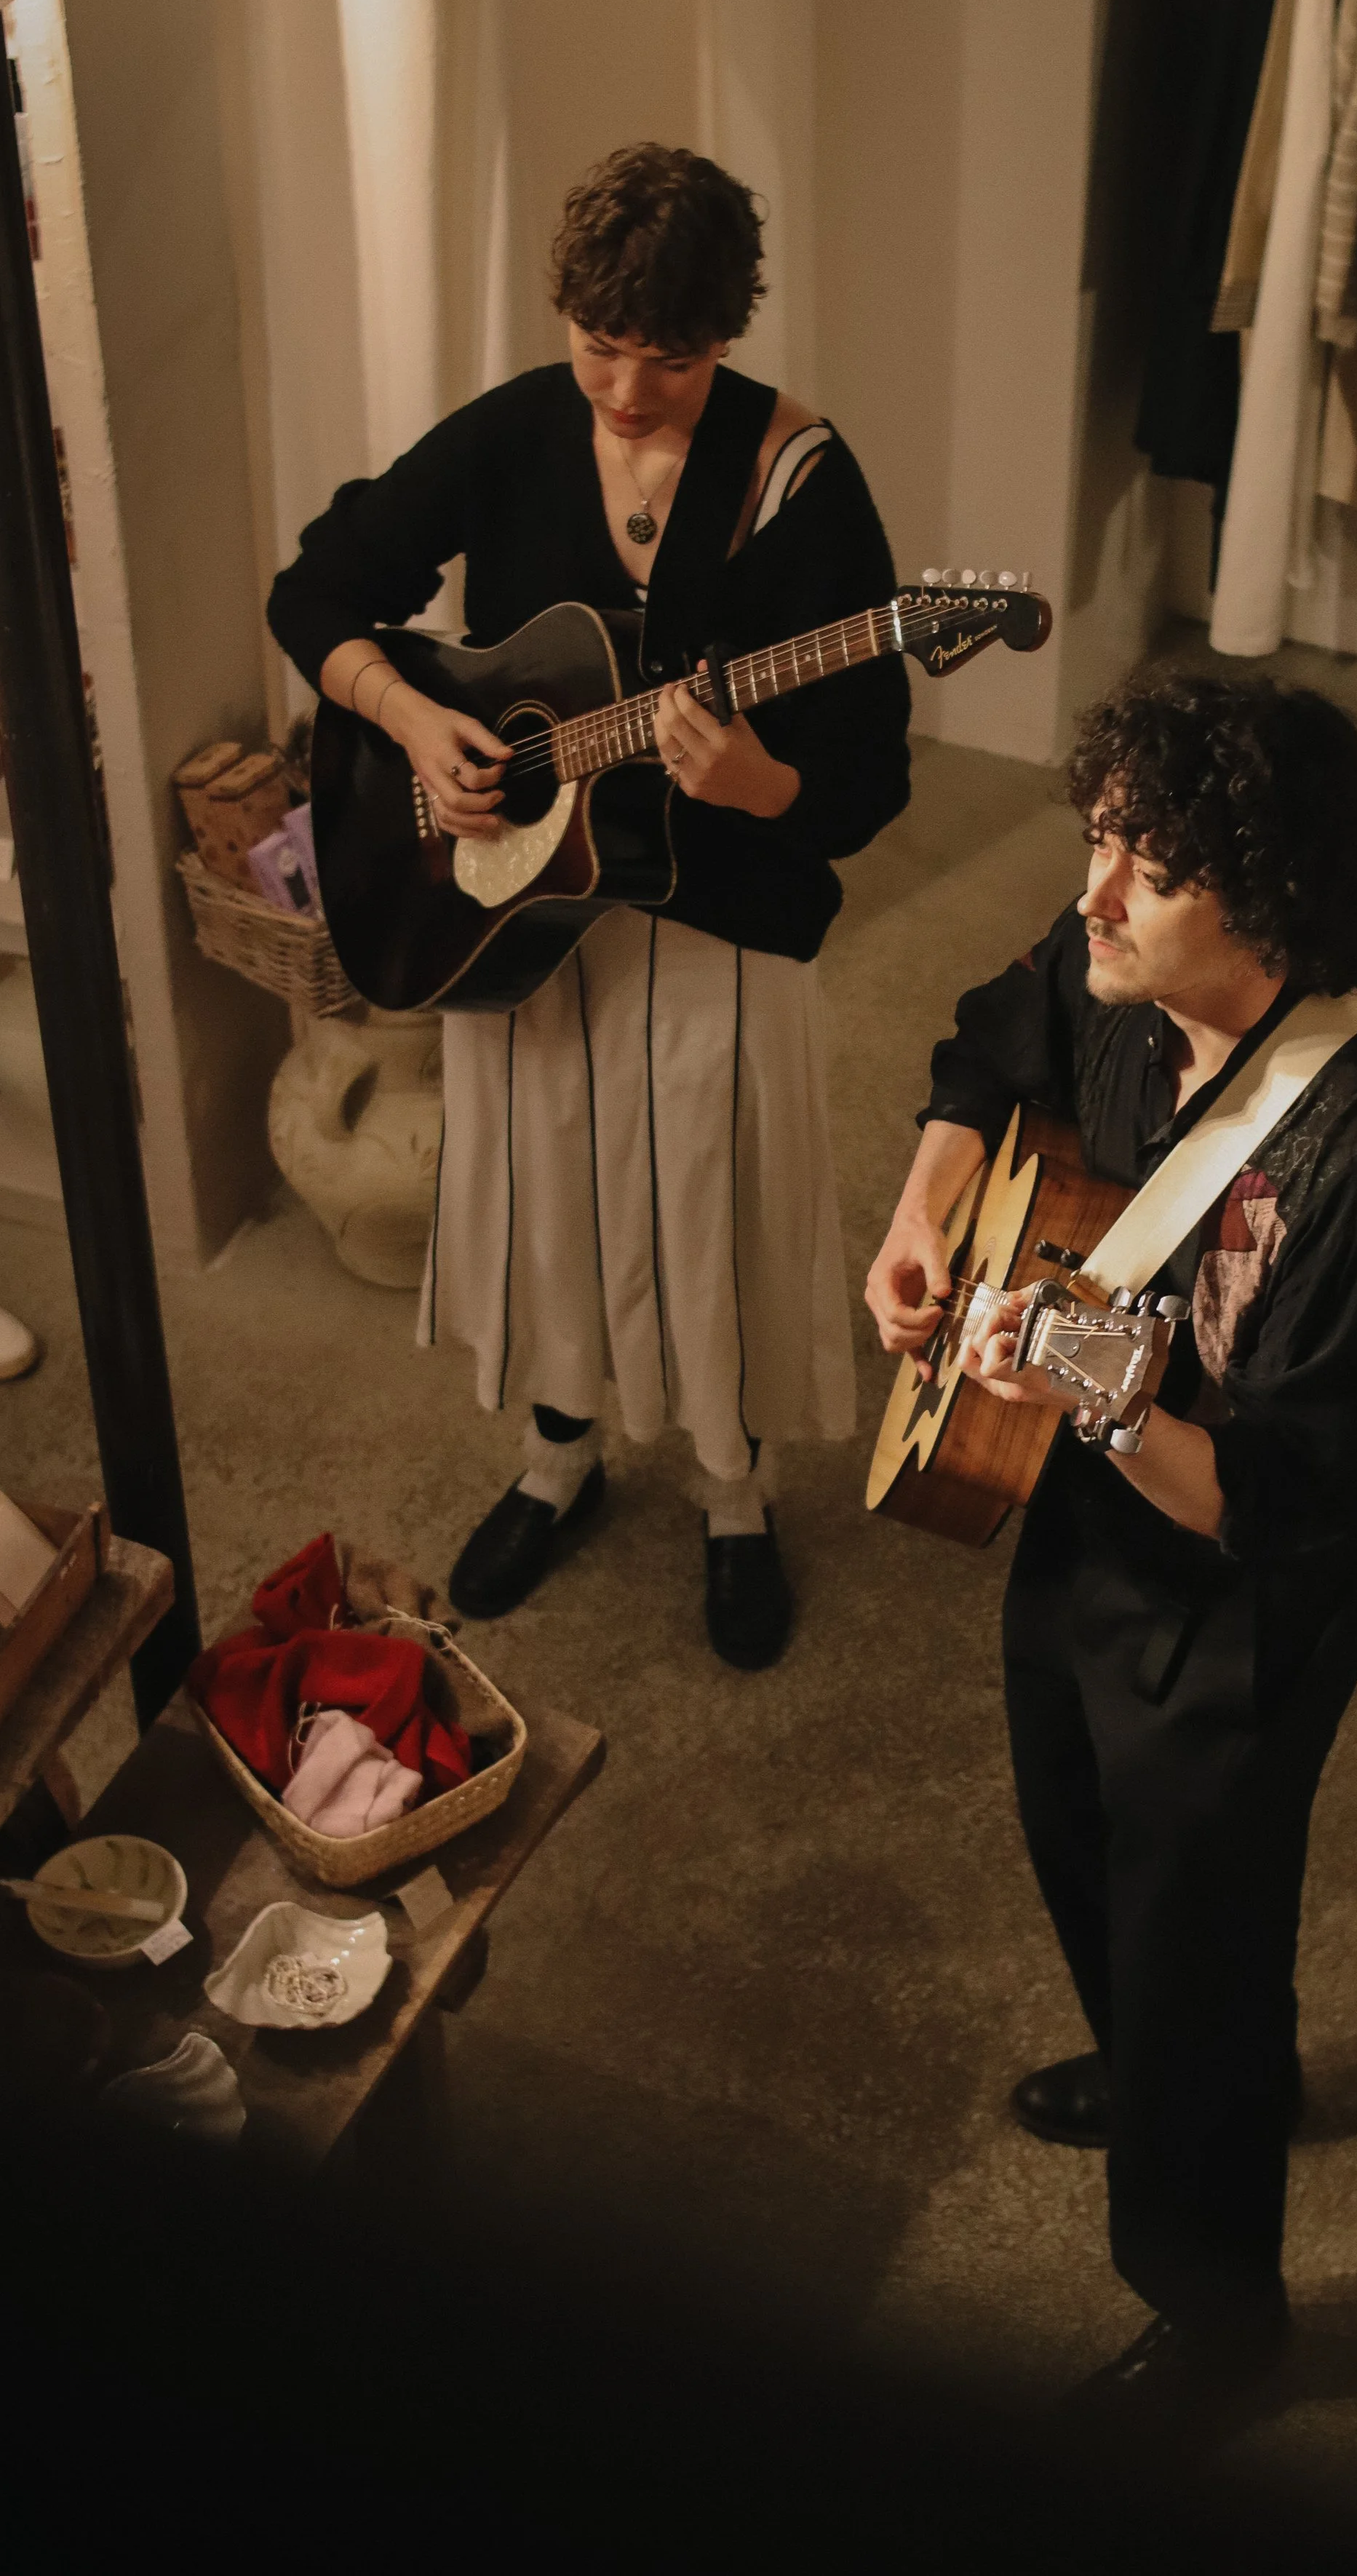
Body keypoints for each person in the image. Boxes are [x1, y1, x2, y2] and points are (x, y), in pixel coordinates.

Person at [865, 672, 1357, 2412]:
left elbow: (1295, 1496)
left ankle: (1218, 2319)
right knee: (1070, 1826)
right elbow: (986, 1039)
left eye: (1142, 864)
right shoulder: (1112, 987)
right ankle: (1176, 2066)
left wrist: (1098, 1392)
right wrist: (923, 1206)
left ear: (1264, 900)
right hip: (1076, 1536)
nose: (1088, 896)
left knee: (1197, 1917)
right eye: (1095, 839)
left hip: (1237, 1607)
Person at [268, 143, 910, 1667]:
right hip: (511, 912)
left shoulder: (796, 475)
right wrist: (419, 726)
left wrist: (757, 782)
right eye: (596, 348)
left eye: (668, 361)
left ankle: (730, 1489)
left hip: (715, 915)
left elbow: (869, 771)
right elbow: (315, 592)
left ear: (728, 335)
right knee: (547, 1192)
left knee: (703, 1199)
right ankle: (558, 1455)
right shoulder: (515, 432)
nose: (623, 393)